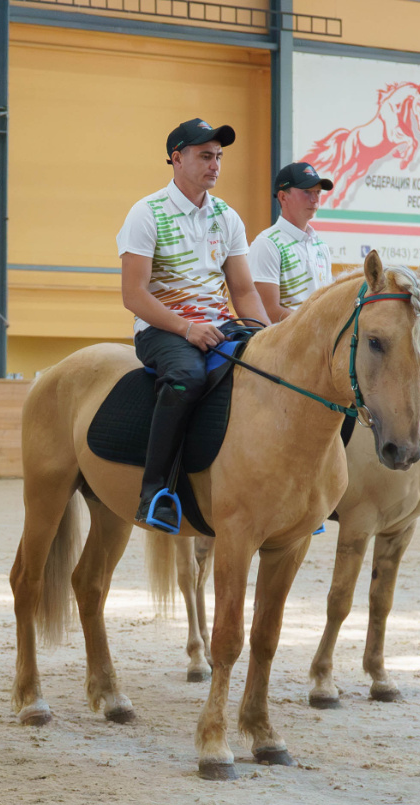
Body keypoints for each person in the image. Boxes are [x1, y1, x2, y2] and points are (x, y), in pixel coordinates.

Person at [117, 118, 269, 531]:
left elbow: (244, 290)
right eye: (205, 155)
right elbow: (134, 296)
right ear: (176, 158)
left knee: (272, 370)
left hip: (220, 324)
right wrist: (187, 329)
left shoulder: (227, 217)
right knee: (186, 378)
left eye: (218, 156)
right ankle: (156, 494)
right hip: (162, 330)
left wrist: (269, 335)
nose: (215, 164)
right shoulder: (145, 213)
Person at [249, 162, 336, 322]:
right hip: (284, 343)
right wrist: (315, 327)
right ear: (283, 197)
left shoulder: (321, 246)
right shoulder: (267, 244)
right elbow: (268, 311)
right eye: (307, 192)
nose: (315, 199)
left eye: (317, 192)